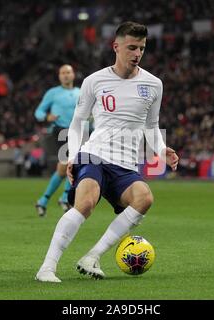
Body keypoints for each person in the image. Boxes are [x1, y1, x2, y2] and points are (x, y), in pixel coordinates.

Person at [35, 21, 179, 283]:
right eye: (132, 47)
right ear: (116, 47)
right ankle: (47, 267)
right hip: (94, 154)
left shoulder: (154, 84)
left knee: (144, 198)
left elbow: (152, 125)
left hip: (125, 164)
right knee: (86, 203)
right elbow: (78, 122)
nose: (137, 54)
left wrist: (161, 148)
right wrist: (72, 155)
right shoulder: (95, 81)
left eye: (142, 49)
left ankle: (92, 257)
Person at [34, 64, 80, 217]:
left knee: (66, 167)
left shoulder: (80, 93)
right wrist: (47, 117)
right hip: (60, 130)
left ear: (73, 75)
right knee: (69, 163)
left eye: (68, 72)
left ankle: (44, 200)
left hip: (78, 131)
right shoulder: (53, 93)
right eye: (63, 73)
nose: (66, 75)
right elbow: (38, 112)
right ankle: (64, 197)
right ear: (59, 76)